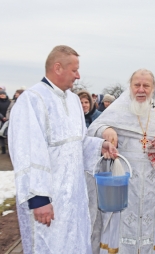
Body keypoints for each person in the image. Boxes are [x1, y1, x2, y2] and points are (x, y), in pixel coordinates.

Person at [8, 45, 117, 254]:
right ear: (58, 68)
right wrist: (39, 198)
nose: (78, 75)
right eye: (74, 70)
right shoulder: (32, 100)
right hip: (48, 199)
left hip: (74, 196)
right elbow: (27, 151)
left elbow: (78, 142)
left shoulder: (74, 100)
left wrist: (99, 145)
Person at [87, 69, 155, 253]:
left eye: (146, 85)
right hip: (125, 182)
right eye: (137, 85)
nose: (141, 89)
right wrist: (105, 130)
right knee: (121, 225)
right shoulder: (118, 110)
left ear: (153, 89)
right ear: (130, 87)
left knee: (153, 228)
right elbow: (93, 131)